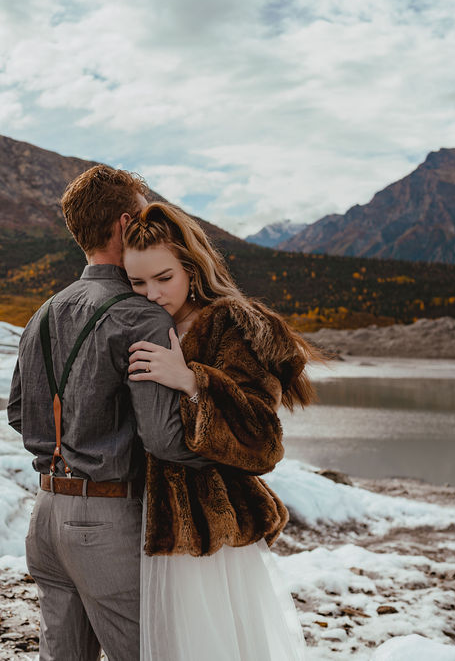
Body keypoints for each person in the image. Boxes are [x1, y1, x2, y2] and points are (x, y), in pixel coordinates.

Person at [8, 167, 213, 661]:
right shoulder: (142, 315)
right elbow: (164, 440)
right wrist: (225, 455)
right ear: (124, 225)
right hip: (106, 524)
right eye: (141, 216)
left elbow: (19, 412)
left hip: (46, 518)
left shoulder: (44, 312)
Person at [122, 201, 318, 660]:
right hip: (148, 522)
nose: (151, 293)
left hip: (207, 535)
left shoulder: (231, 322)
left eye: (163, 278)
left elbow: (262, 440)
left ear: (191, 267)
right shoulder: (139, 321)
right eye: (137, 282)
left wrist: (193, 381)